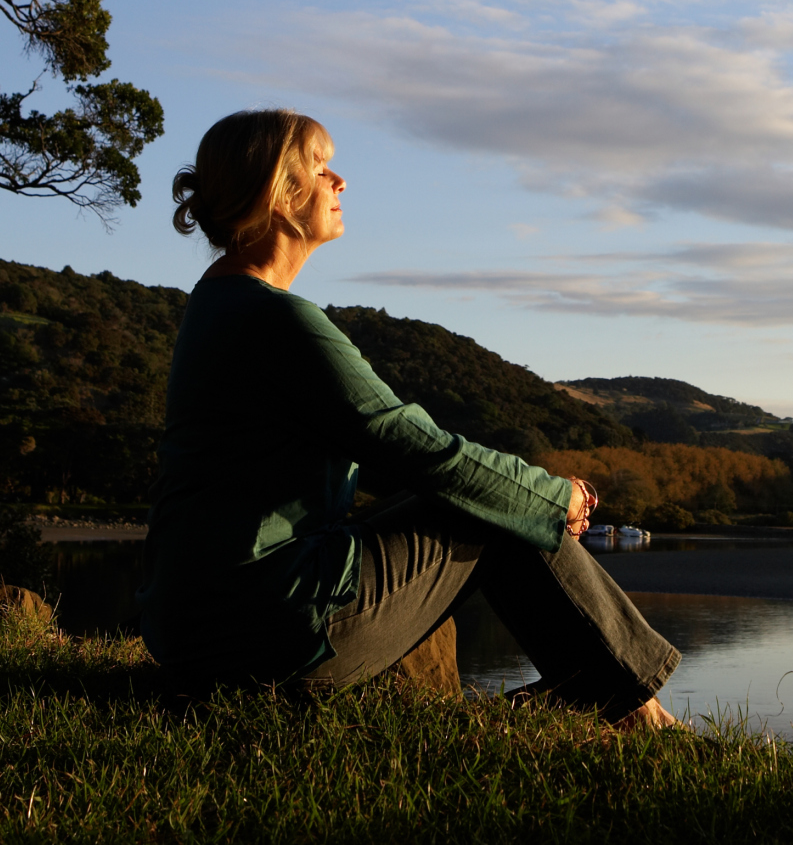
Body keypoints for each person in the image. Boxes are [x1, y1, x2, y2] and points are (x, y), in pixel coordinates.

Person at [136, 108, 681, 727]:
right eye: (321, 167)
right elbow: (421, 451)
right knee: (494, 502)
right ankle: (639, 713)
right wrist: (553, 495)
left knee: (493, 494)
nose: (340, 180)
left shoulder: (217, 303)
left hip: (203, 628)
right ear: (280, 197)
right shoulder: (276, 321)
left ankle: (605, 693)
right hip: (265, 634)